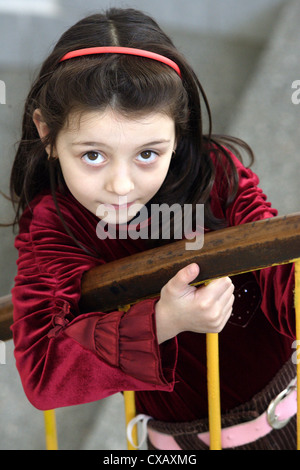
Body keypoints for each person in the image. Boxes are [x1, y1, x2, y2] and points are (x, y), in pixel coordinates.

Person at [9, 8, 297, 450]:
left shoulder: (213, 174)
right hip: (182, 448)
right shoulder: (56, 225)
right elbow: (45, 371)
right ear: (47, 133)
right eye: (92, 155)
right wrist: (163, 321)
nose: (121, 185)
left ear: (177, 137)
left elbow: (280, 269)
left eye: (147, 154)